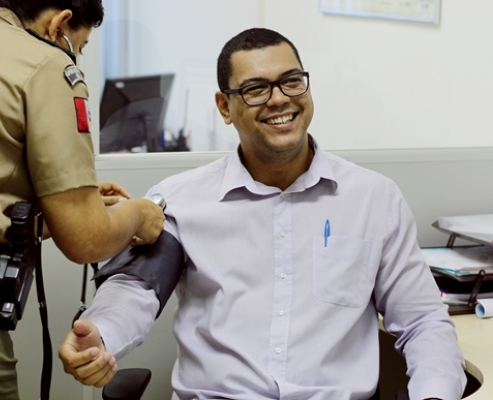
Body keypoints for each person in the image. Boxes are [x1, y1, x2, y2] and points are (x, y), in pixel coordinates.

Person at [58, 28, 467, 399]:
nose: (279, 99)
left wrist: (434, 395)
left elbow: (423, 321)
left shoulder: (373, 199)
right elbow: (136, 289)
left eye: (292, 81)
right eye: (256, 89)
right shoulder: (180, 200)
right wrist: (102, 335)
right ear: (224, 106)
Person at [0, 1, 165, 399]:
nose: (75, 56)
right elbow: (86, 240)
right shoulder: (46, 63)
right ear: (60, 24)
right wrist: (139, 214)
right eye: (79, 47)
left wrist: (68, 209)